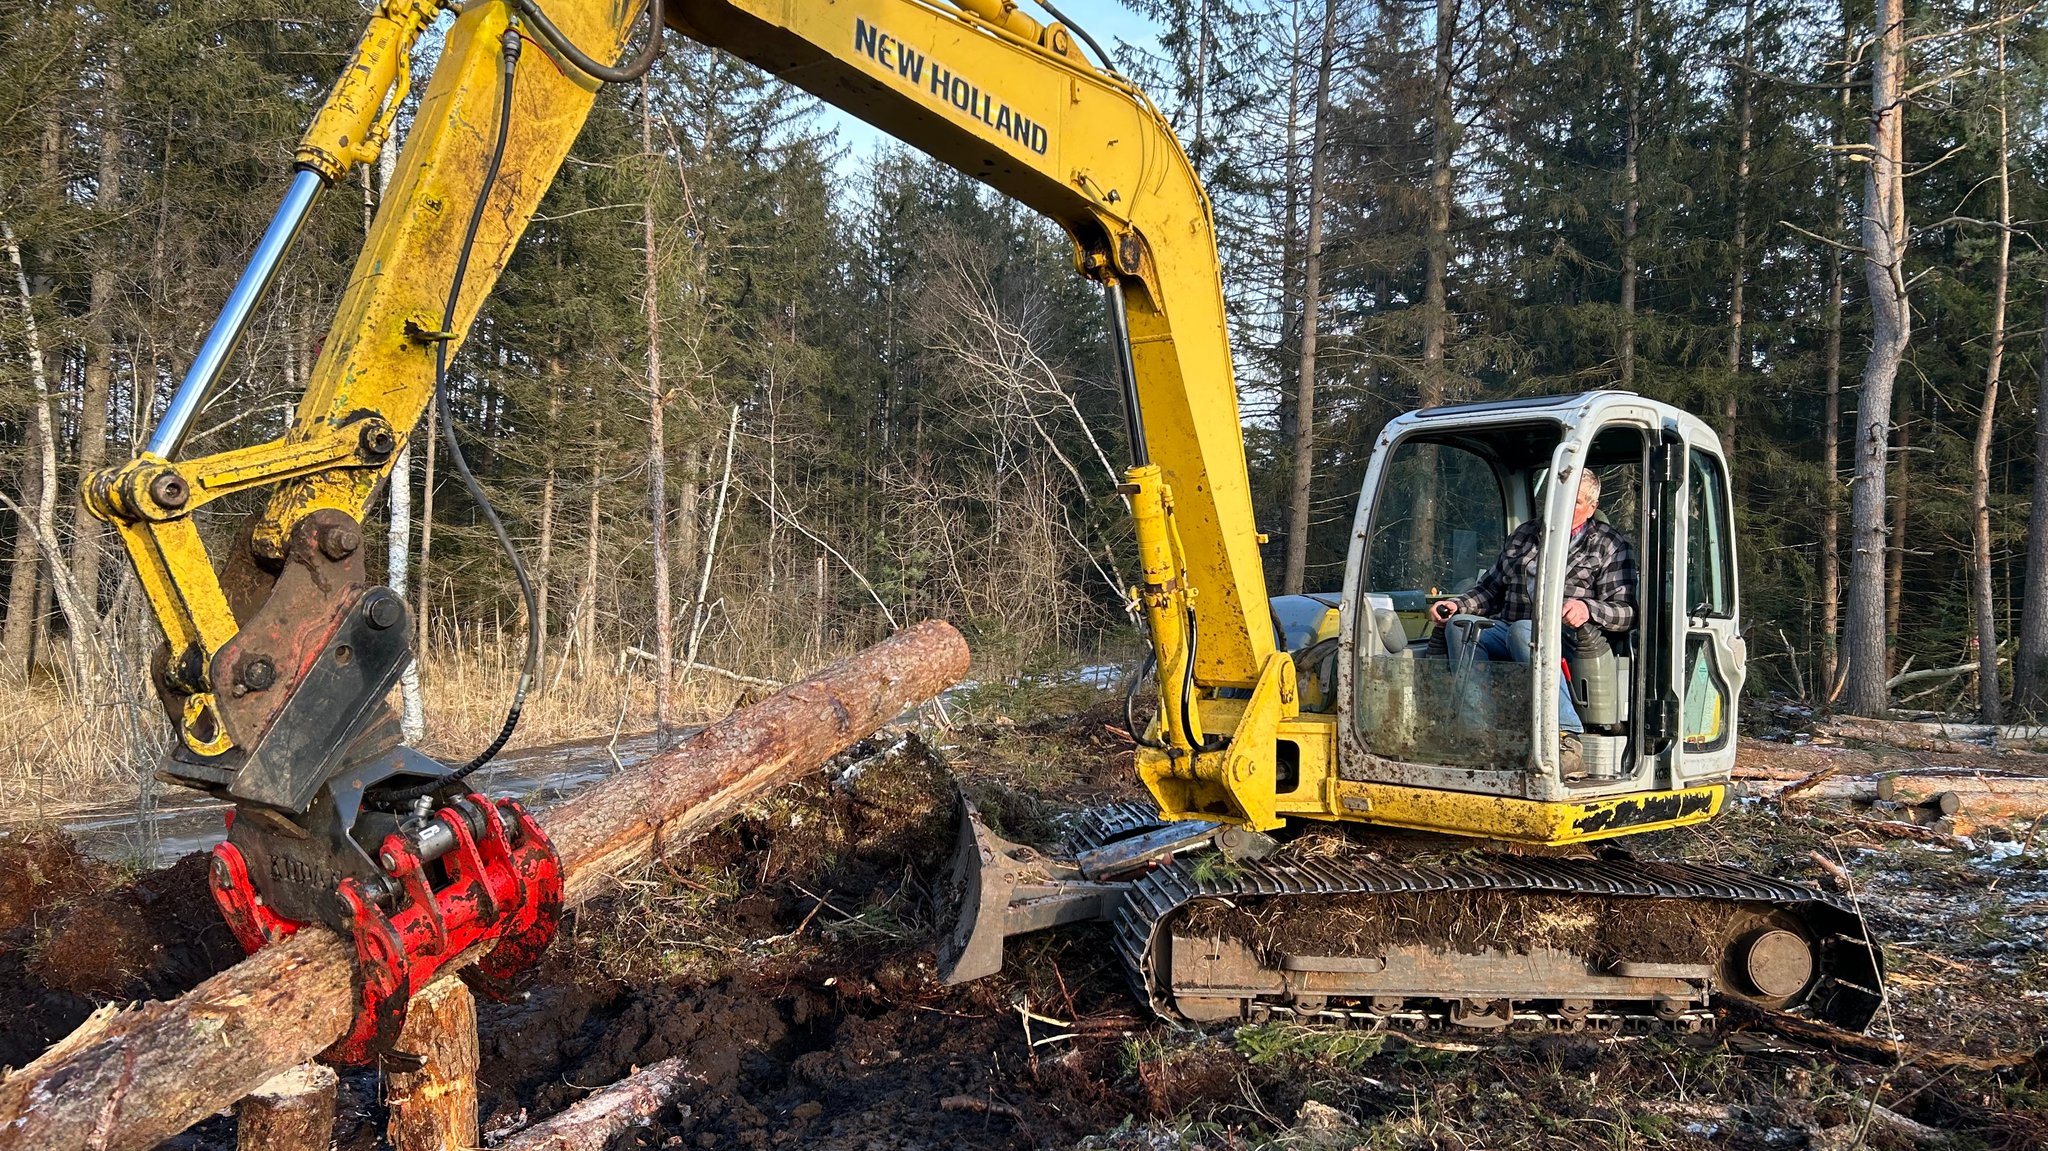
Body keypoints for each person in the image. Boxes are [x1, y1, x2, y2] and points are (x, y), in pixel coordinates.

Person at [1426, 469, 1636, 774]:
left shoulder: (1609, 544)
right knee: (1462, 627)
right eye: (1557, 497)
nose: (1562, 505)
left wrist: (1588, 609)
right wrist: (1457, 605)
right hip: (1512, 629)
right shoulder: (1524, 535)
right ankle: (1478, 736)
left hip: (1570, 639)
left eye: (1574, 501)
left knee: (1525, 631)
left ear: (1592, 507)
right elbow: (1491, 589)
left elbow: (1627, 611)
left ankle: (1566, 739)